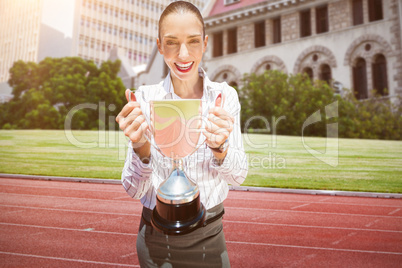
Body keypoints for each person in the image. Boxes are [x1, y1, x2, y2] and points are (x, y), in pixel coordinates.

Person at [116, 1, 248, 267]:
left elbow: (238, 176)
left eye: (193, 41)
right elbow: (134, 188)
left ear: (205, 43)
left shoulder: (224, 97)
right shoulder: (144, 100)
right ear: (160, 46)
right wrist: (140, 147)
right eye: (172, 42)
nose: (184, 54)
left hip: (210, 237)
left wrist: (220, 148)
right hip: (155, 240)